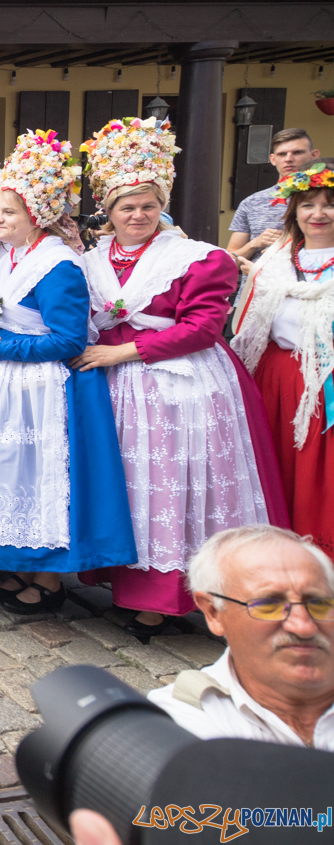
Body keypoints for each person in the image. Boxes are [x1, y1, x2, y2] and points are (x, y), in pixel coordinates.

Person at [75, 118, 284, 639]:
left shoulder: (199, 258)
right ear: (108, 211)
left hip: (179, 387)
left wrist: (123, 351)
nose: (139, 215)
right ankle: (128, 583)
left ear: (162, 206)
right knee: (128, 490)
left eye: (148, 205)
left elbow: (202, 329)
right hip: (116, 391)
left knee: (174, 490)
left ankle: (168, 597)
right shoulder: (89, 259)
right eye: (128, 206)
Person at [0, 133, 136, 614]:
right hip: (9, 383)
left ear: (35, 216)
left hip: (45, 387)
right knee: (13, 477)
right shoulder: (10, 258)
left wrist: (6, 348)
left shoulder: (58, 265)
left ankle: (50, 579)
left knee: (43, 480)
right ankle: (20, 563)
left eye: (9, 213)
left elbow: (70, 340)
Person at [146, 526, 334, 750]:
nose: (303, 626)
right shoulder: (177, 725)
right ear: (213, 612)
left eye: (318, 603)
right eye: (268, 605)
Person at [231, 162, 334, 557]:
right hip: (274, 376)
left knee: (317, 475)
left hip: (324, 380)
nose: (318, 214)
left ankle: (317, 556)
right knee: (276, 468)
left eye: (328, 204)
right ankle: (273, 553)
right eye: (308, 205)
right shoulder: (275, 260)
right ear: (294, 212)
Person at [228, 128, 318, 265]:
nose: (289, 159)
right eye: (282, 154)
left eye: (297, 152)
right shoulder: (252, 203)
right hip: (256, 285)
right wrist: (255, 243)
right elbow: (229, 262)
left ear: (314, 155)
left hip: (310, 283)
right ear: (273, 159)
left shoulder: (327, 200)